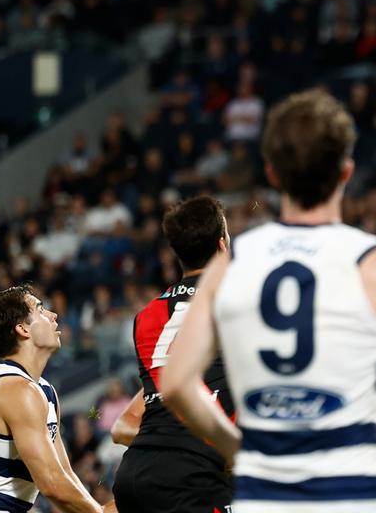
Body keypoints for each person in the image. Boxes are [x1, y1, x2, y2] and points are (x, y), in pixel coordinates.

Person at [160, 89, 376, 512]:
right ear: (346, 172)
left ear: (273, 174)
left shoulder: (232, 264)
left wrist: (234, 444)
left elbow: (175, 384)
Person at [111, 196, 235, 513]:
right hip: (194, 477)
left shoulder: (146, 317)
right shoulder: (236, 301)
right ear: (222, 245)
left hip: (135, 474)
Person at [0, 286, 110, 513]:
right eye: (41, 310)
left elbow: (63, 474)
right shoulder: (15, 389)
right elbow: (52, 485)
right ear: (22, 329)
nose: (53, 315)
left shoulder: (44, 390)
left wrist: (100, 508)